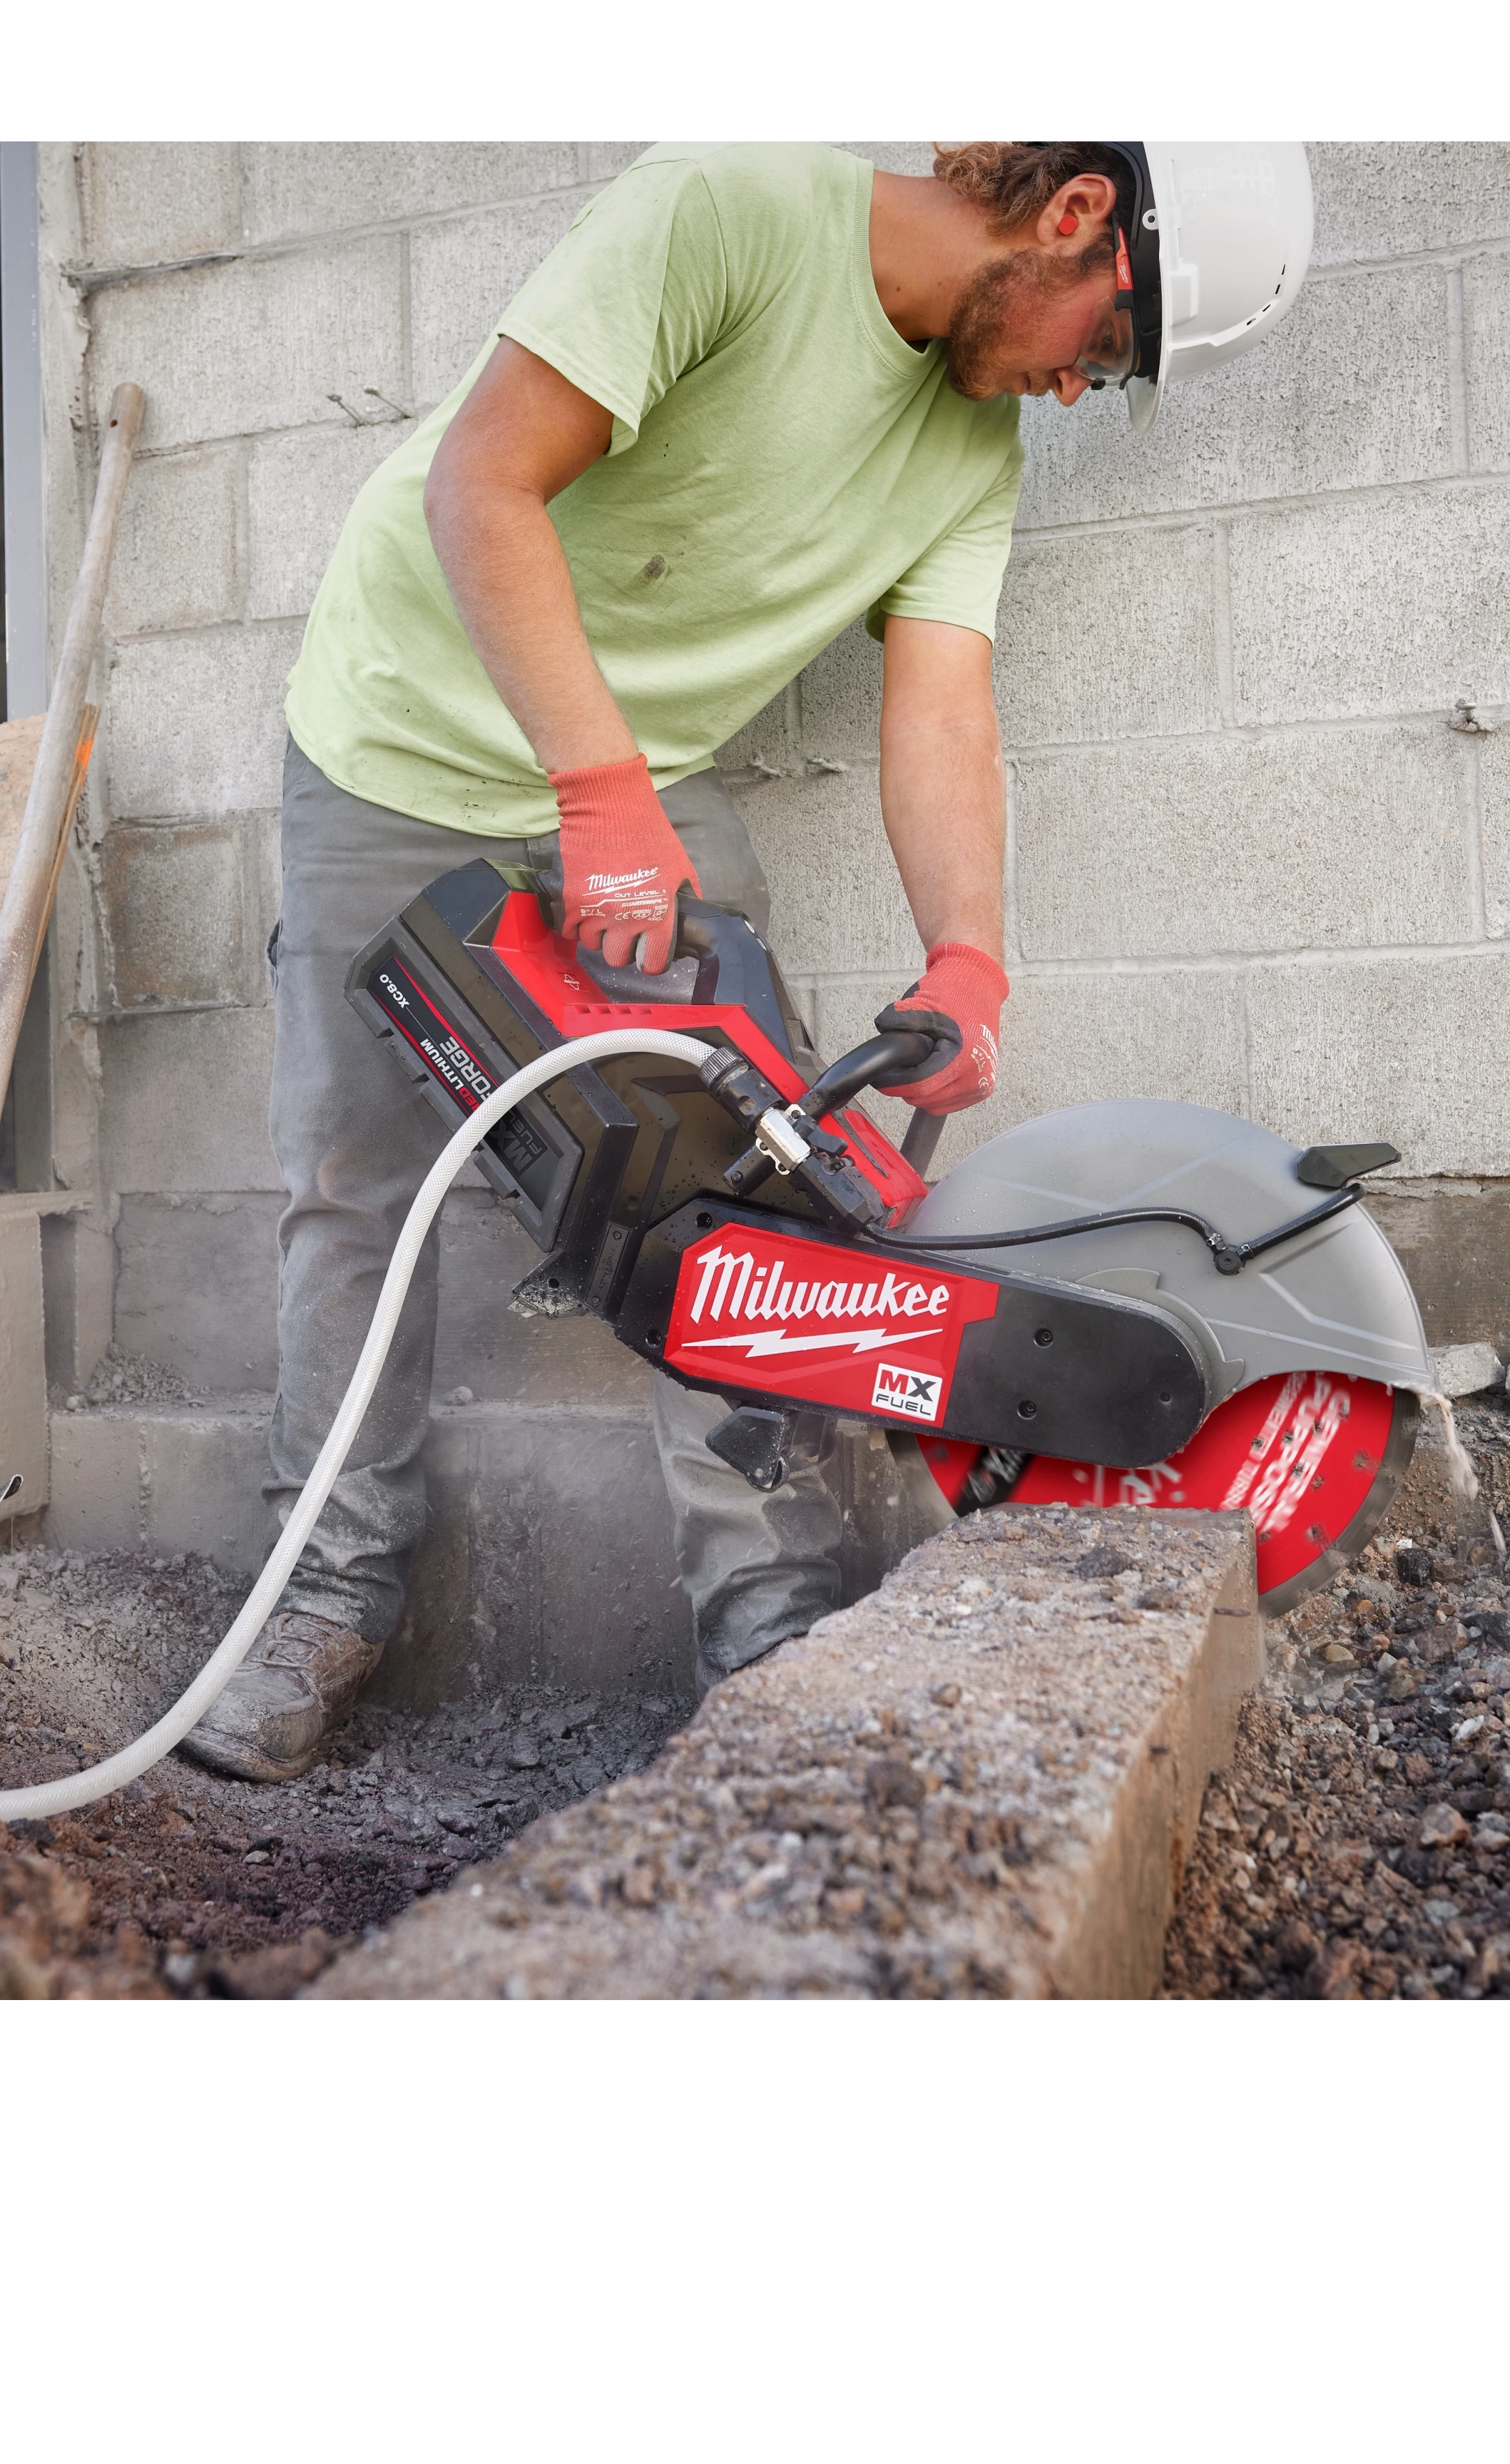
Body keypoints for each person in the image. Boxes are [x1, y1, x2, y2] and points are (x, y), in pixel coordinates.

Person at [182, 138, 1312, 1780]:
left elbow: (939, 708)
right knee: (354, 1185)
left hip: (622, 776)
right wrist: (596, 795)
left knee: (744, 1177)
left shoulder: (970, 451)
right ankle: (325, 1596)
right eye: (1106, 347)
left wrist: (969, 955)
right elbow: (479, 481)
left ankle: (763, 1624)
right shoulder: (724, 208)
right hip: (400, 740)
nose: (1079, 391)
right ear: (1072, 218)